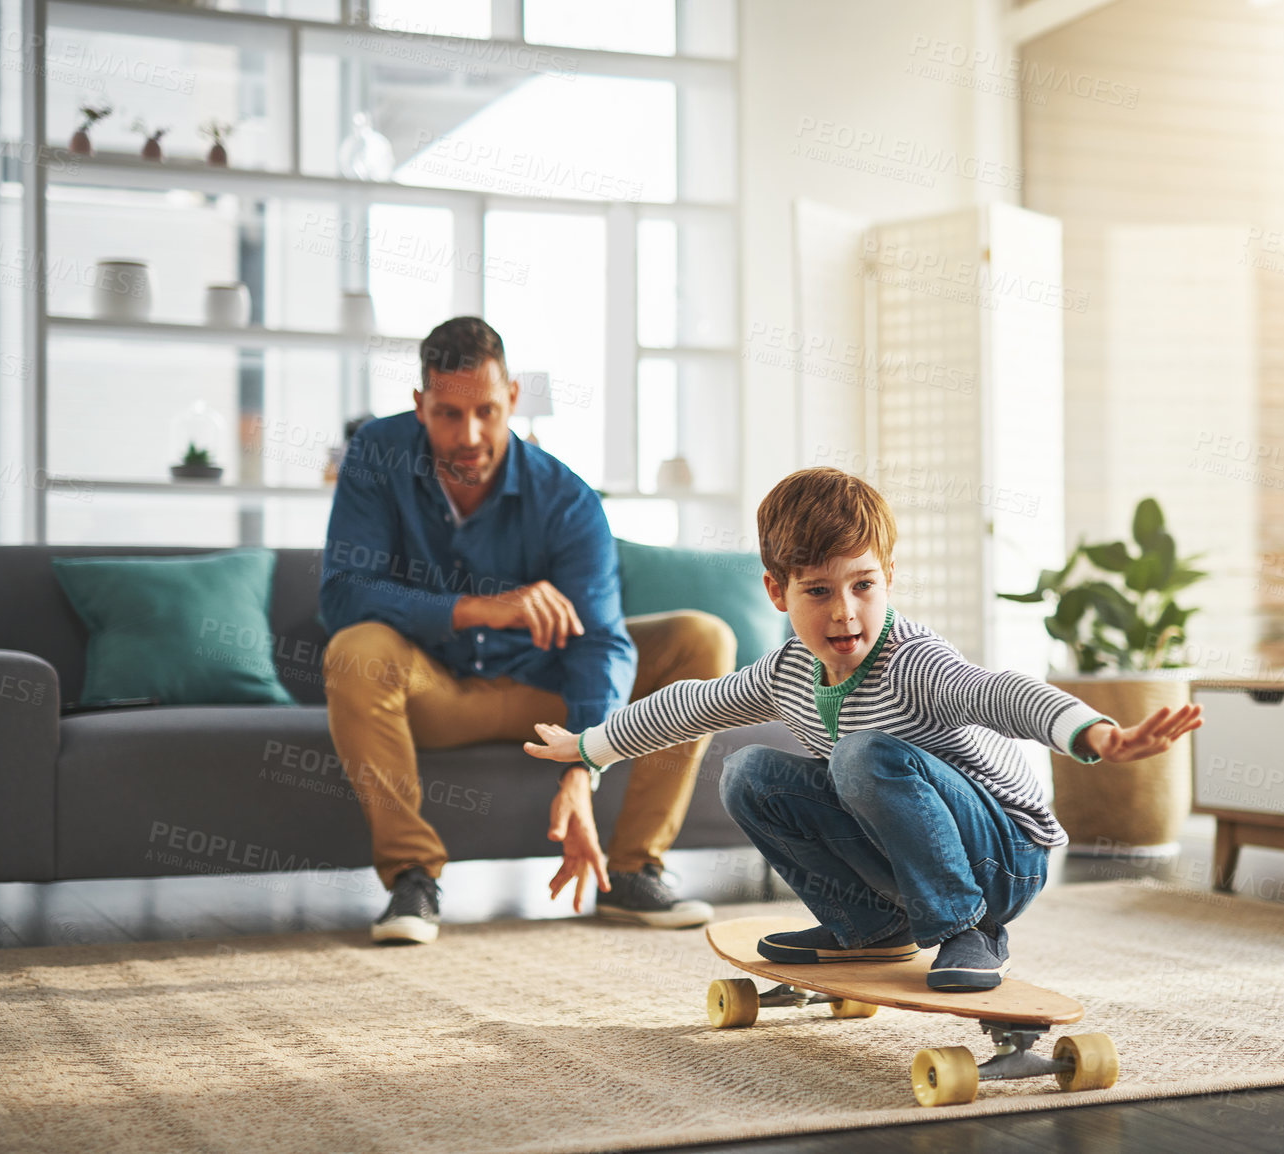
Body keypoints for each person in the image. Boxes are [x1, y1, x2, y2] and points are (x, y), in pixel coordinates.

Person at [524, 467, 1203, 990]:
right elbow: (691, 704)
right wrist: (589, 747)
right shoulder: (786, 670)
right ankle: (869, 925)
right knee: (749, 773)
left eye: (863, 585)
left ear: (889, 578)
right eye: (817, 591)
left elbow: (1001, 693)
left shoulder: (914, 662)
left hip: (1003, 856)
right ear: (776, 593)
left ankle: (970, 931)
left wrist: (1094, 734)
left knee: (861, 757)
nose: (844, 612)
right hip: (907, 858)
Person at [320, 316, 733, 945]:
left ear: (512, 398)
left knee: (703, 639)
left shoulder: (564, 497)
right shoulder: (376, 458)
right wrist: (475, 609)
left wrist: (583, 765)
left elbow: (601, 640)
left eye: (487, 410)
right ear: (418, 405)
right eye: (447, 415)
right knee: (354, 649)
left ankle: (633, 871)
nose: (470, 435)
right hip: (436, 692)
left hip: (551, 700)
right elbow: (344, 596)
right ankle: (412, 878)